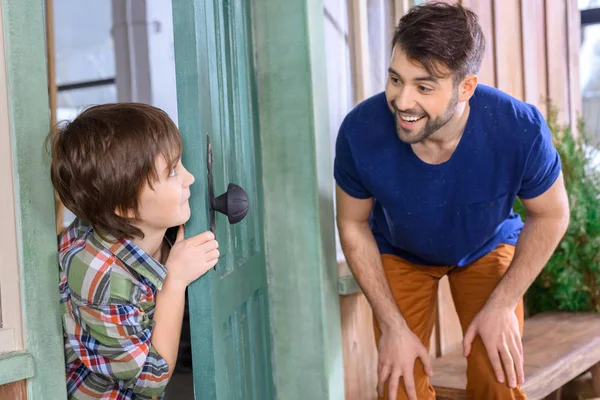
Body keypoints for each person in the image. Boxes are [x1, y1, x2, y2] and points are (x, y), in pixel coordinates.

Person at [334, 3, 570, 400]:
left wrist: (502, 305)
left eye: (424, 87)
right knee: (399, 384)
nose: (403, 101)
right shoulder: (359, 131)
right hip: (399, 250)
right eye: (395, 79)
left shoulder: (519, 129)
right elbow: (352, 223)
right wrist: (391, 325)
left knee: (498, 374)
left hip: (486, 245)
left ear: (466, 87)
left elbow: (551, 214)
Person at [49, 103, 219, 399]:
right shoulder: (101, 279)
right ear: (126, 206)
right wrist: (174, 282)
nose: (190, 178)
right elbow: (150, 381)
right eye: (172, 173)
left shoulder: (130, 221)